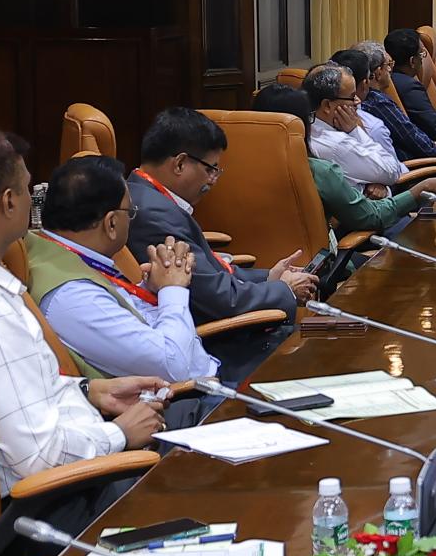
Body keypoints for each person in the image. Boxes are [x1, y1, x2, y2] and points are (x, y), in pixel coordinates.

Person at [0, 127, 171, 495]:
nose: (31, 199)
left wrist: (90, 390)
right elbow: (40, 457)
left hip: (80, 444)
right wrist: (120, 433)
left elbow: (14, 394)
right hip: (69, 496)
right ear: (9, 202)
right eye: (27, 188)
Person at [124, 107, 318, 383]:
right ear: (180, 164)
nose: (213, 180)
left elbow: (210, 274)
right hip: (218, 349)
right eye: (210, 169)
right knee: (324, 353)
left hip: (220, 332)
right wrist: (284, 290)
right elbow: (219, 299)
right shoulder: (154, 215)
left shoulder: (151, 197)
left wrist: (269, 277)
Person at [28, 154, 221, 391]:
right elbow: (173, 367)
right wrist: (173, 287)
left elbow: (119, 315)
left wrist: (150, 289)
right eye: (130, 212)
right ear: (111, 224)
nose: (130, 220)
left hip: (200, 370)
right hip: (188, 400)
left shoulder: (61, 256)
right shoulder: (72, 295)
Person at [254, 82, 433, 241]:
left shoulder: (238, 168)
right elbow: (371, 217)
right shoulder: (318, 170)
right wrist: (421, 189)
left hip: (250, 265)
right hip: (319, 262)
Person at [303, 61, 426, 192]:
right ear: (327, 105)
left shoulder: (305, 126)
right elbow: (392, 171)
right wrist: (356, 131)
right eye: (351, 97)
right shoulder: (338, 145)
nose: (358, 101)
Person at [337, 42, 436, 164]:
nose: (390, 69)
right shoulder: (377, 103)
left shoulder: (342, 106)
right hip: (419, 167)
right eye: (388, 65)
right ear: (377, 73)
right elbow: (415, 140)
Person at [383, 27, 436, 144]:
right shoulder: (409, 87)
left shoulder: (389, 81)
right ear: (412, 61)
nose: (423, 59)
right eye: (422, 54)